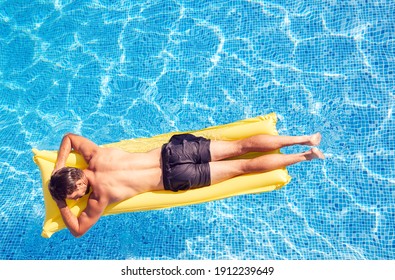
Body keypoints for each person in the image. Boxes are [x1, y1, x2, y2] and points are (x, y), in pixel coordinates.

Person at [49, 132, 324, 237]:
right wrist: (59, 167)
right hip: (174, 153)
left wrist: (61, 203)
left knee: (242, 167)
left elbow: (77, 230)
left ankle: (303, 157)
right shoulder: (95, 154)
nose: (74, 200)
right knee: (240, 146)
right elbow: (69, 137)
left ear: (79, 187)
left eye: (72, 196)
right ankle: (304, 140)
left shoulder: (99, 199)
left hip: (177, 178)